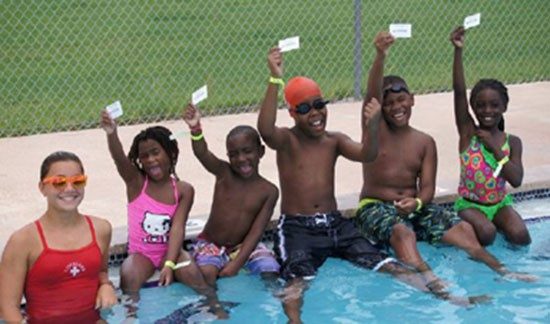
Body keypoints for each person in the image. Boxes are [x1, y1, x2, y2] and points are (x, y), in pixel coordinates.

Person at [257, 47, 477, 324]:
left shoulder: (333, 141)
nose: (314, 113)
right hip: (298, 228)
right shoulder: (287, 141)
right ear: (291, 113)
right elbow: (265, 130)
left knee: (388, 265)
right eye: (304, 108)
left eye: (319, 104)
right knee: (296, 278)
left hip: (336, 225)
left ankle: (445, 296)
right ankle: (295, 321)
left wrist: (372, 126)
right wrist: (274, 80)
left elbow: (367, 154)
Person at [353, 31, 536, 290]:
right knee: (403, 232)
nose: (396, 106)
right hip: (376, 207)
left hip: (415, 206)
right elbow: (371, 95)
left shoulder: (425, 142)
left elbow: (427, 187)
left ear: (412, 99)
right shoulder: (375, 131)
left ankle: (501, 269)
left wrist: (416, 202)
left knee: (463, 229)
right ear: (379, 108)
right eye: (389, 102)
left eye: (401, 99)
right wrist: (380, 56)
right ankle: (432, 280)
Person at [179, 104, 280, 313]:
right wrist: (196, 130)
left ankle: (269, 307)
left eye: (247, 151)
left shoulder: (269, 191)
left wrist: (236, 264)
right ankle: (214, 306)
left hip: (242, 247)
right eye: (234, 154)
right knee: (207, 272)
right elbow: (202, 153)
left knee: (270, 270)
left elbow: (256, 233)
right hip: (211, 243)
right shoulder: (224, 172)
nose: (241, 159)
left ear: (260, 151)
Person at [0, 151, 117, 323]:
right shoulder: (23, 241)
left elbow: (102, 271)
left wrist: (106, 285)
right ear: (42, 188)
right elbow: (7, 306)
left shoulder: (101, 229)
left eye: (77, 181)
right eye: (59, 182)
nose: (69, 189)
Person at [100, 111, 197, 308]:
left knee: (192, 273)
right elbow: (119, 159)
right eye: (144, 156)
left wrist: (170, 263)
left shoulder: (183, 190)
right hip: (141, 255)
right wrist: (112, 133)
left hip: (170, 252)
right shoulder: (136, 183)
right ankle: (131, 316)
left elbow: (177, 228)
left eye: (155, 152)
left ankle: (213, 307)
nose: (150, 159)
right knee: (128, 273)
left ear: (171, 154)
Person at [450, 26, 531, 246]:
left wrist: (495, 149)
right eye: (481, 105)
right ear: (473, 108)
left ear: (504, 106)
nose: (487, 111)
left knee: (521, 236)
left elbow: (516, 180)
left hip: (499, 203)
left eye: (494, 105)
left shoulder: (512, 142)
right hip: (470, 205)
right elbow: (458, 92)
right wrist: (458, 51)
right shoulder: (468, 134)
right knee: (487, 232)